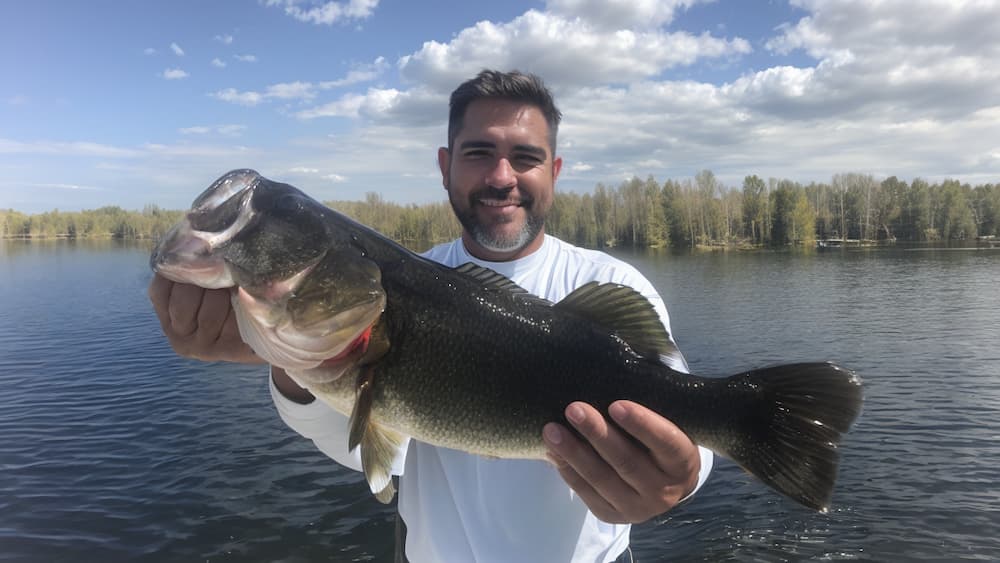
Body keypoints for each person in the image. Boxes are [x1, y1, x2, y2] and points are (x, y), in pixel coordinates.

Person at [149, 69, 713, 563]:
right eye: (477, 153)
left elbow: (692, 424)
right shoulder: (406, 281)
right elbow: (366, 453)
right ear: (445, 167)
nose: (501, 176)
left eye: (526, 157)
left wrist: (681, 479)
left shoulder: (610, 285)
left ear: (554, 171)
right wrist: (286, 362)